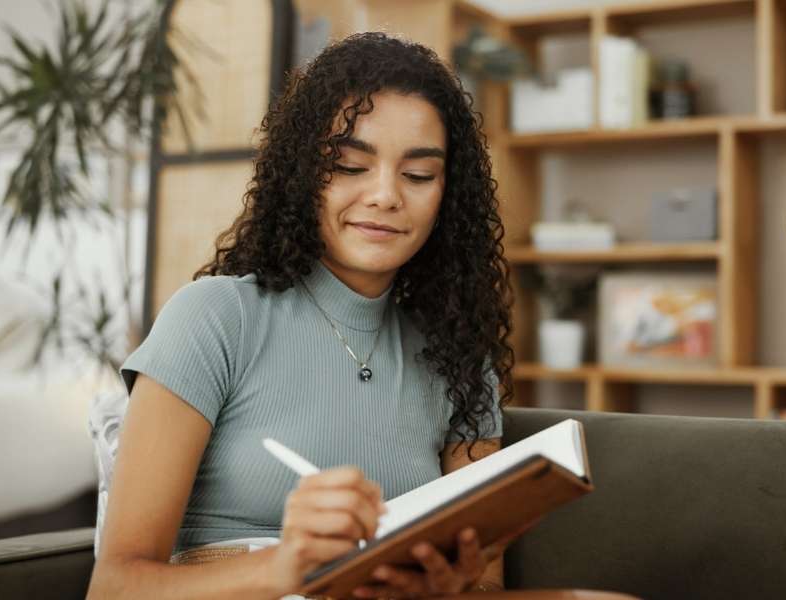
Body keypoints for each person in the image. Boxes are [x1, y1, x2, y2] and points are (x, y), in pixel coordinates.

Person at [87, 31, 516, 599]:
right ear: (301, 175)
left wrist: (451, 588)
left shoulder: (459, 355)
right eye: (348, 165)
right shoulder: (217, 318)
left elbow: (486, 582)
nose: (386, 195)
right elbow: (115, 588)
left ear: (448, 195)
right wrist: (287, 569)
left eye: (418, 175)